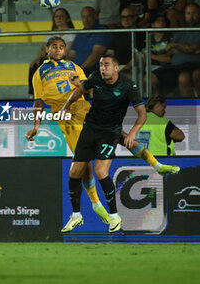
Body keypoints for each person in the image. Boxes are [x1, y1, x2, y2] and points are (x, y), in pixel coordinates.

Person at [61, 54, 180, 233]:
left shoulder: (128, 86)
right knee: (74, 172)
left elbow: (143, 114)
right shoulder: (95, 78)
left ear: (116, 68)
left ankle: (115, 216)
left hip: (110, 133)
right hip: (90, 129)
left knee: (101, 171)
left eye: (106, 65)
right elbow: (81, 90)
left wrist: (132, 133)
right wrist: (68, 104)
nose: (103, 68)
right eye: (101, 65)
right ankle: (76, 215)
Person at [26, 36, 110, 224]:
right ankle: (96, 204)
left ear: (65, 50)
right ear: (47, 49)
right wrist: (36, 127)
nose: (58, 49)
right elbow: (38, 102)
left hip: (84, 110)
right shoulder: (39, 73)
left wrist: (79, 84)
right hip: (65, 118)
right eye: (54, 46)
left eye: (61, 47)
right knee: (84, 162)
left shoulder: (74, 67)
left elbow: (88, 88)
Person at [166, 2, 200, 97]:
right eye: (188, 13)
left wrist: (177, 46)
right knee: (183, 77)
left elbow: (194, 47)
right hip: (179, 66)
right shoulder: (181, 30)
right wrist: (187, 48)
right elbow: (170, 51)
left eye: (194, 13)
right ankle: (187, 109)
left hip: (196, 64)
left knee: (197, 74)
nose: (191, 16)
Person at [67, 6, 111, 76]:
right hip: (76, 71)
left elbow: (96, 55)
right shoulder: (80, 34)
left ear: (95, 16)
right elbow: (71, 56)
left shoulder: (102, 31)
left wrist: (80, 71)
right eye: (83, 17)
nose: (86, 20)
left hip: (91, 71)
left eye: (89, 16)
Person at [142, 13, 172, 94]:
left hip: (164, 69)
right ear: (153, 24)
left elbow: (169, 59)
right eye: (158, 21)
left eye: (163, 21)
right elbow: (144, 57)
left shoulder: (170, 38)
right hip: (149, 67)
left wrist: (152, 56)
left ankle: (157, 102)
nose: (161, 23)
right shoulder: (148, 38)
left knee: (148, 80)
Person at [108, 7, 144, 73]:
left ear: (135, 18)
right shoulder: (117, 32)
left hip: (133, 69)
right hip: (116, 67)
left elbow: (138, 56)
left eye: (129, 16)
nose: (126, 20)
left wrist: (124, 70)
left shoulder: (141, 33)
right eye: (123, 17)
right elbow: (110, 52)